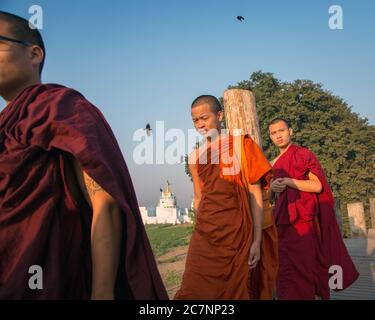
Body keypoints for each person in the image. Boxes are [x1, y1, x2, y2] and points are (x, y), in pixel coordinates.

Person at [0, 11, 168, 300]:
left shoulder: (61, 108)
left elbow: (105, 201)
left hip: (50, 280)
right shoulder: (6, 124)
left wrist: (102, 292)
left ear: (34, 53)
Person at [174, 95, 277, 300]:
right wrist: (199, 231)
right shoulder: (195, 158)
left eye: (205, 118)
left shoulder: (240, 145)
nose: (200, 124)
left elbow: (254, 192)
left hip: (237, 232)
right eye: (195, 120)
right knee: (194, 287)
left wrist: (256, 240)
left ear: (219, 115)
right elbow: (199, 197)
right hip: (206, 234)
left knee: (236, 289)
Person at [268, 117, 359, 300]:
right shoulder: (272, 163)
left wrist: (288, 181)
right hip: (282, 222)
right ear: (270, 137)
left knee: (304, 266)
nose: (278, 136)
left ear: (290, 131)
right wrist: (272, 188)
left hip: (303, 220)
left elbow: (317, 186)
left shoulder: (302, 154)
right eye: (274, 133)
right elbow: (271, 197)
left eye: (282, 131)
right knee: (285, 269)